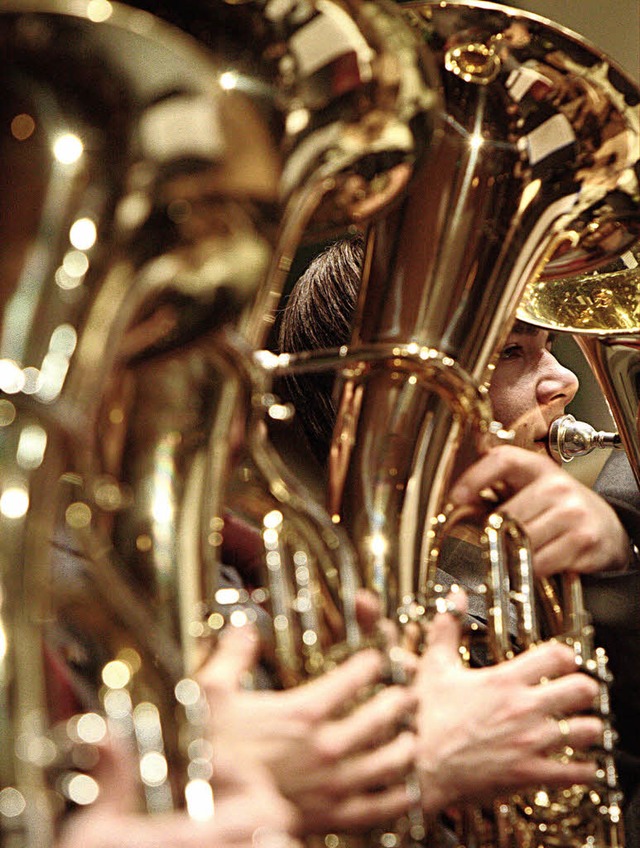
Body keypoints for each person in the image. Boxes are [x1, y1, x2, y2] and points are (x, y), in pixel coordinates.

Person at [276, 233, 640, 842]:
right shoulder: (341, 624)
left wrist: (623, 565)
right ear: (394, 401)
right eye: (510, 353)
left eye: (547, 348)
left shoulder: (596, 537)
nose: (563, 382)